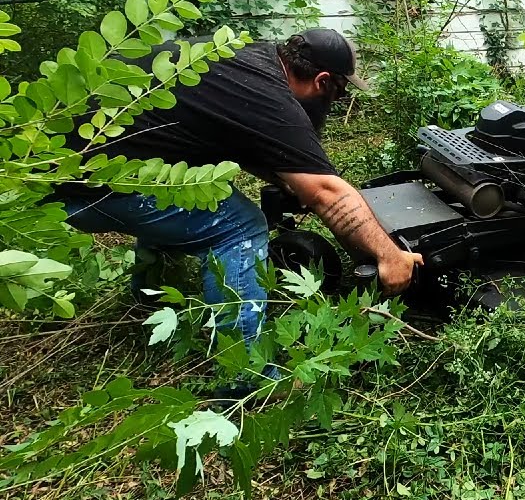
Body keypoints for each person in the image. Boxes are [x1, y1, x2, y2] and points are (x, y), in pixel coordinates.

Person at [55, 28, 422, 351]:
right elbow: (327, 193)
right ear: (322, 81)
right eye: (339, 92)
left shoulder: (247, 59)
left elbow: (235, 136)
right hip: (93, 185)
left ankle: (149, 297)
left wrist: (285, 180)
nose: (336, 102)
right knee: (239, 226)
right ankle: (245, 372)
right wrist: (390, 257)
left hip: (51, 165)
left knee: (193, 184)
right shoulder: (271, 98)